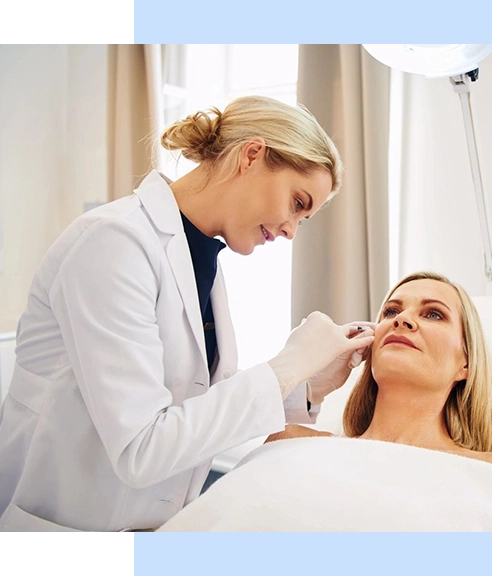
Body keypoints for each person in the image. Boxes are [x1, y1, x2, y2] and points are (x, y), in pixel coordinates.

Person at [0, 95, 375, 532]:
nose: (292, 231)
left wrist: (305, 387)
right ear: (251, 156)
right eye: (297, 202)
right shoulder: (114, 243)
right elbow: (141, 448)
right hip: (58, 531)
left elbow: (188, 403)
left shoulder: (202, 259)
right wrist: (286, 365)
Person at [265, 271, 492, 489]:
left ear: (465, 363)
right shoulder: (289, 442)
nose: (403, 319)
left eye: (433, 314)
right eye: (391, 312)